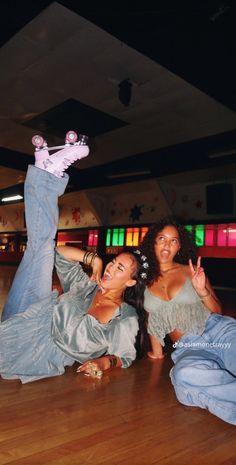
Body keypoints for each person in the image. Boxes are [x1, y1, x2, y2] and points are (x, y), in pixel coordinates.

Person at [0, 132, 146, 383]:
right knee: (42, 246)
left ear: (131, 282)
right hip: (34, 312)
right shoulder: (87, 287)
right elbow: (60, 254)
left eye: (119, 267)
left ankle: (46, 174)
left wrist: (102, 361)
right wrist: (95, 260)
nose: (111, 267)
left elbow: (125, 356)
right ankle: (47, 173)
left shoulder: (125, 316)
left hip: (42, 352)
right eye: (113, 261)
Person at [140, 216, 236, 425]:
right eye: (162, 238)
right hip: (189, 346)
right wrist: (157, 352)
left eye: (173, 240)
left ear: (179, 246)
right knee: (183, 376)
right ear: (153, 242)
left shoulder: (189, 271)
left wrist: (202, 291)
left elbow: (217, 310)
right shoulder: (144, 281)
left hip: (218, 330)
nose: (167, 244)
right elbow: (152, 320)